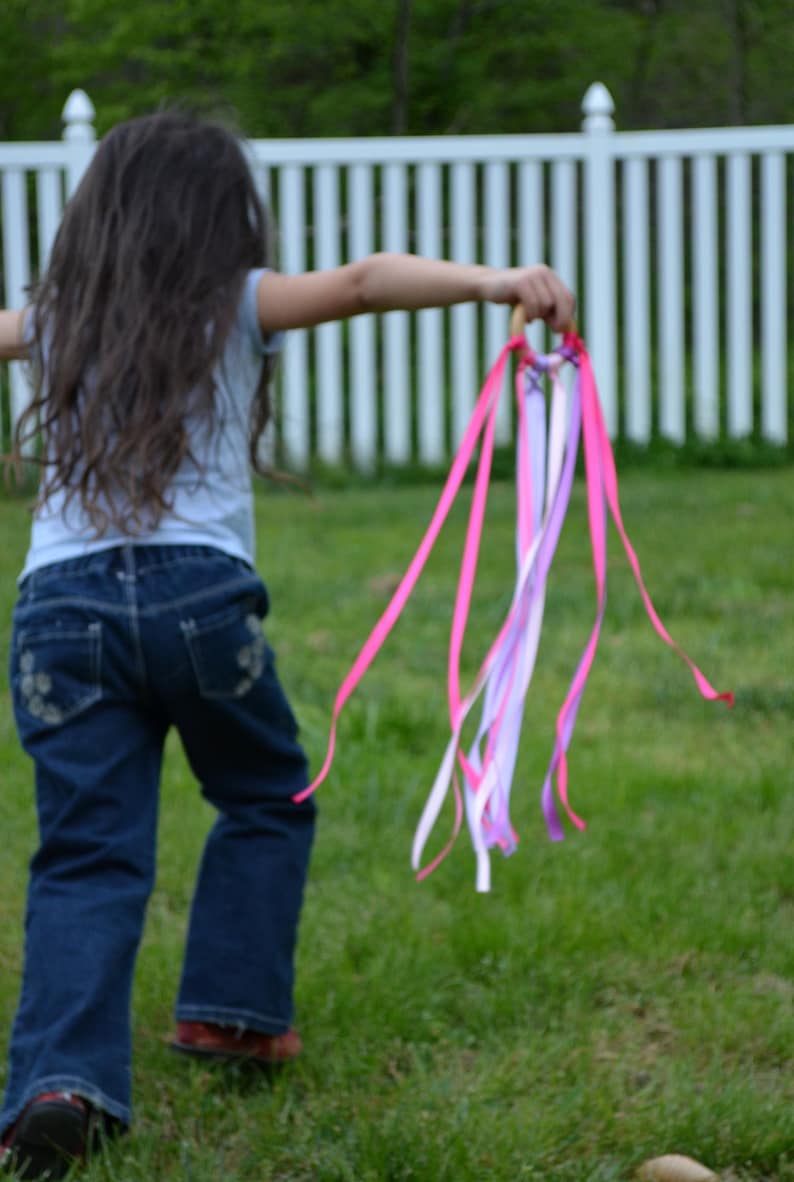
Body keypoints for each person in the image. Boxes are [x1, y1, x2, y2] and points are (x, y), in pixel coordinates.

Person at [0, 109, 575, 1179]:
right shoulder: (236, 303)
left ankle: (58, 1084)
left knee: (85, 854)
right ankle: (230, 1014)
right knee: (268, 793)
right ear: (223, 219)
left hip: (58, 618)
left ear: (98, 218)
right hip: (199, 606)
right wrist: (494, 278)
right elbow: (361, 281)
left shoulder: (55, 317)